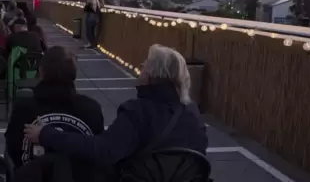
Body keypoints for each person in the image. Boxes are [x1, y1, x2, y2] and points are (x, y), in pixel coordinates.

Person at [24, 44, 208, 163]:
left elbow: (102, 150)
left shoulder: (137, 113)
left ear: (150, 76)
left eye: (144, 66)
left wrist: (47, 135)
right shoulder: (193, 113)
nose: (140, 69)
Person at [6, 46, 104, 167]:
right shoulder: (91, 109)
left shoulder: (23, 108)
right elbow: (98, 152)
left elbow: (13, 150)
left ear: (41, 72)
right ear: (74, 74)